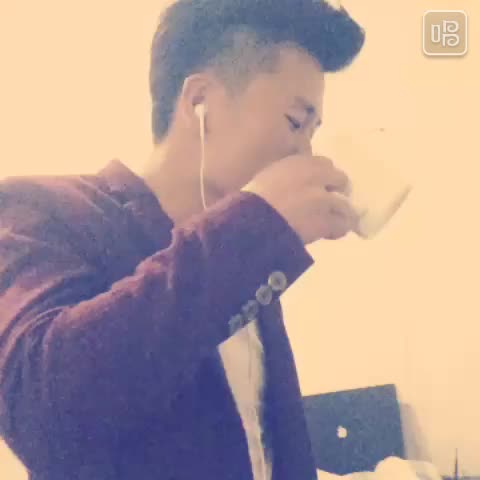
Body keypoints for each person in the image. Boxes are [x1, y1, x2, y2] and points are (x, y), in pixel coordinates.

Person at [0, 1, 365, 479]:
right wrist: (256, 226)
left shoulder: (246, 262)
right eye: (296, 122)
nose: (307, 153)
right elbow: (43, 410)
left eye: (313, 132)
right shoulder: (42, 210)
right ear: (200, 102)